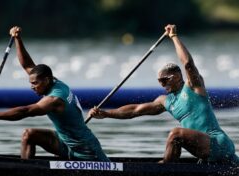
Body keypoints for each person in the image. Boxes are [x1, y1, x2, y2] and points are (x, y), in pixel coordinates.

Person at [89, 24, 238, 164]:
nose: (162, 85)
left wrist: (173, 36)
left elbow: (187, 64)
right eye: (159, 81)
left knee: (175, 134)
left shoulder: (193, 86)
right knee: (176, 136)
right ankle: (168, 169)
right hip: (205, 150)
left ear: (178, 77)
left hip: (218, 144)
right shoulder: (165, 101)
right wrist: (106, 114)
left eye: (165, 80)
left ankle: (164, 170)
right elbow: (134, 111)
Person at [0, 26, 109, 162]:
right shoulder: (53, 81)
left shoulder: (55, 99)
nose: (32, 87)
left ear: (46, 80)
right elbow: (28, 65)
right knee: (28, 135)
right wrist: (18, 39)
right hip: (64, 143)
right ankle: (25, 172)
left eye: (35, 84)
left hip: (86, 150)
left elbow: (26, 111)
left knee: (29, 131)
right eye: (31, 83)